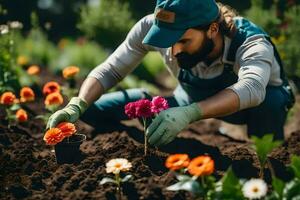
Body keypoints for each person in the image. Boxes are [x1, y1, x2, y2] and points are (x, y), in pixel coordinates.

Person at [46, 0, 295, 146]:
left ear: (212, 29)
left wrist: (191, 114)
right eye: (167, 41)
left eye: (183, 41)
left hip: (250, 110)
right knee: (93, 108)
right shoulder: (152, 27)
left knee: (271, 103)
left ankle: (268, 156)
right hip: (187, 99)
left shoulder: (250, 42)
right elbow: (112, 68)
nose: (174, 51)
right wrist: (76, 104)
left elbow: (252, 89)